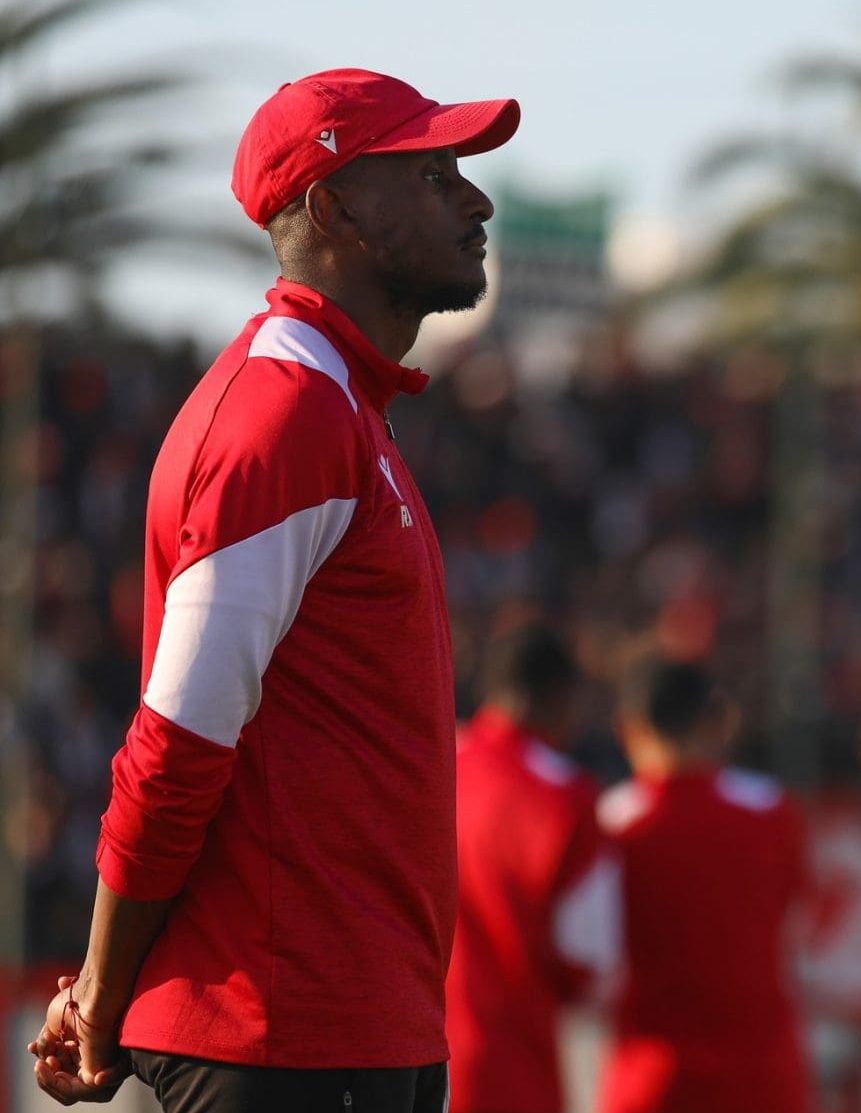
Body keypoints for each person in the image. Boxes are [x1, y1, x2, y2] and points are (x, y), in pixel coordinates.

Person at [26, 68, 518, 1111]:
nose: (475, 201)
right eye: (433, 176)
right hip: (280, 1038)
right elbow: (178, 742)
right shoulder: (283, 417)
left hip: (339, 1031)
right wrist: (103, 996)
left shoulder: (337, 406)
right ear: (333, 209)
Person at [598, 653, 813, 1113]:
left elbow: (588, 959)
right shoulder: (773, 813)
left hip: (654, 1082)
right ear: (714, 722)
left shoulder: (614, 823)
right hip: (765, 1081)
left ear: (629, 728)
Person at [447, 623, 617, 1113]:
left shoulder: (430, 756)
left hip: (400, 1061)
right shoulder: (567, 798)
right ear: (561, 695)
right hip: (512, 1070)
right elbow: (587, 961)